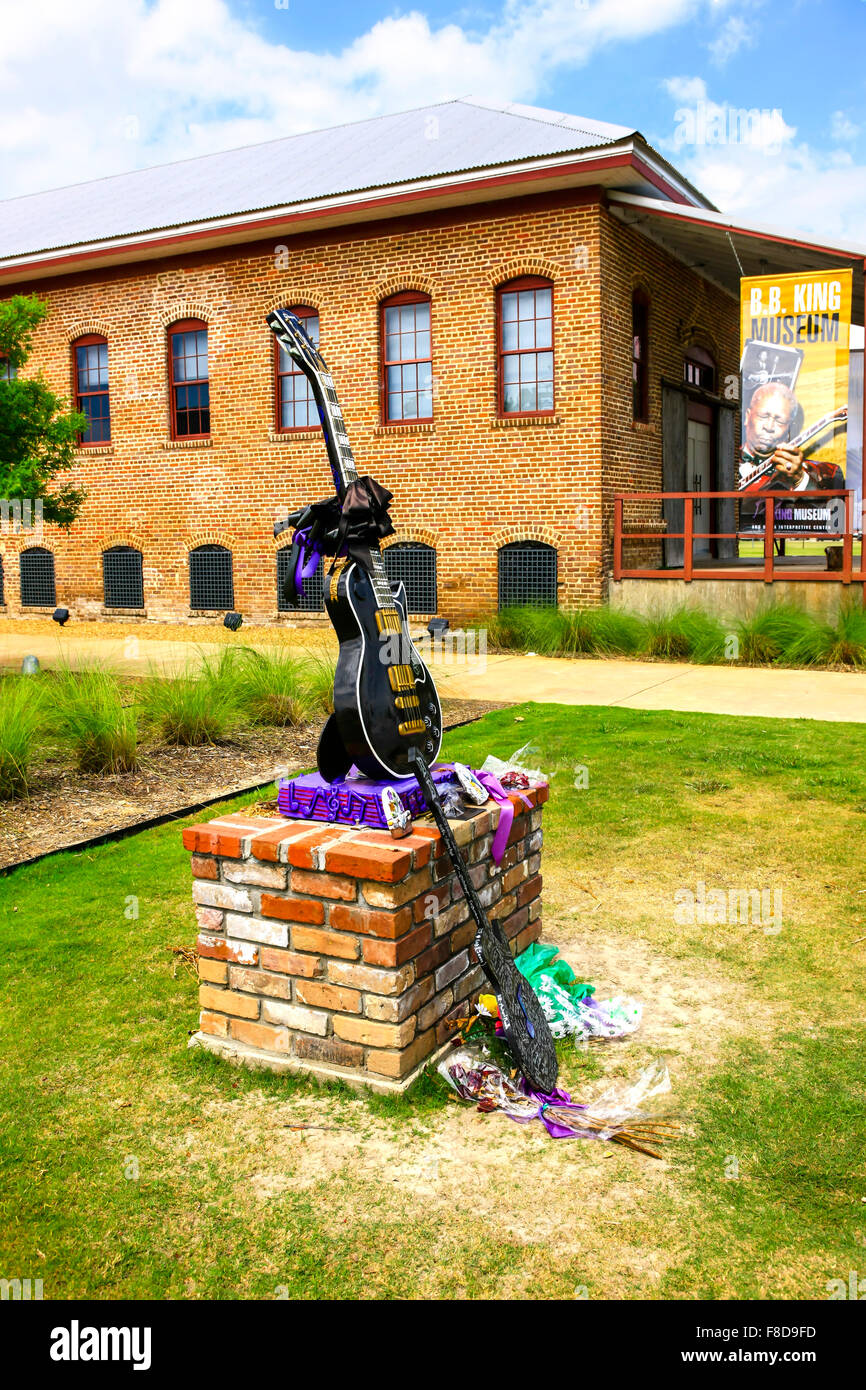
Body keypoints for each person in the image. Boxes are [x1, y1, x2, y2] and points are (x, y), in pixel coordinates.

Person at [739, 383, 844, 493]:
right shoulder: (724, 459)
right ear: (747, 417)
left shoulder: (825, 473)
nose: (769, 427)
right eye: (763, 416)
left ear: (789, 430)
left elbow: (829, 507)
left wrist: (800, 480)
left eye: (780, 421)